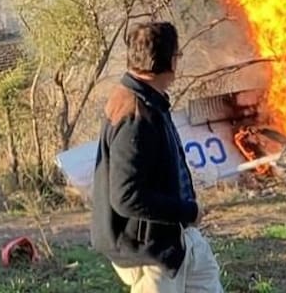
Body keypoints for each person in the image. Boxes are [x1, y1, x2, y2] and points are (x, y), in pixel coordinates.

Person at [90, 21, 224, 293]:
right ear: (169, 61)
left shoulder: (149, 101)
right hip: (149, 252)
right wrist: (188, 211)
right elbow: (127, 196)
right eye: (177, 55)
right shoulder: (136, 115)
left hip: (176, 240)